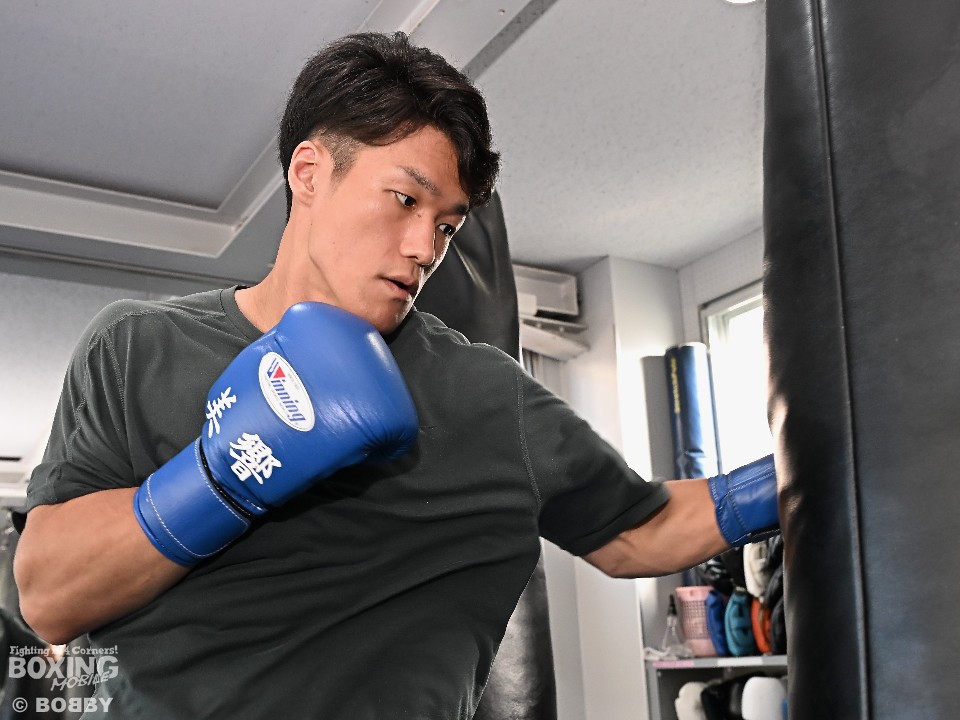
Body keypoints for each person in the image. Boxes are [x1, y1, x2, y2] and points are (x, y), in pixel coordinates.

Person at [13, 32, 778, 719]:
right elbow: (47, 599)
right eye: (405, 199)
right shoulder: (138, 347)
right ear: (309, 173)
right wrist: (224, 474)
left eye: (446, 224)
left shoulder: (489, 394)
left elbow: (640, 530)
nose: (424, 248)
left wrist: (801, 471)